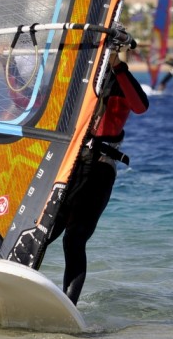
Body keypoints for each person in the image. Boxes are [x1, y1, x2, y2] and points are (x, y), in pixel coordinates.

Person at [46, 51, 149, 305]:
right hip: (69, 165)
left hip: (100, 168)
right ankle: (12, 285)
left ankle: (68, 306)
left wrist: (117, 66)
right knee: (45, 231)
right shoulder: (78, 79)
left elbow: (140, 106)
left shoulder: (120, 80)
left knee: (74, 238)